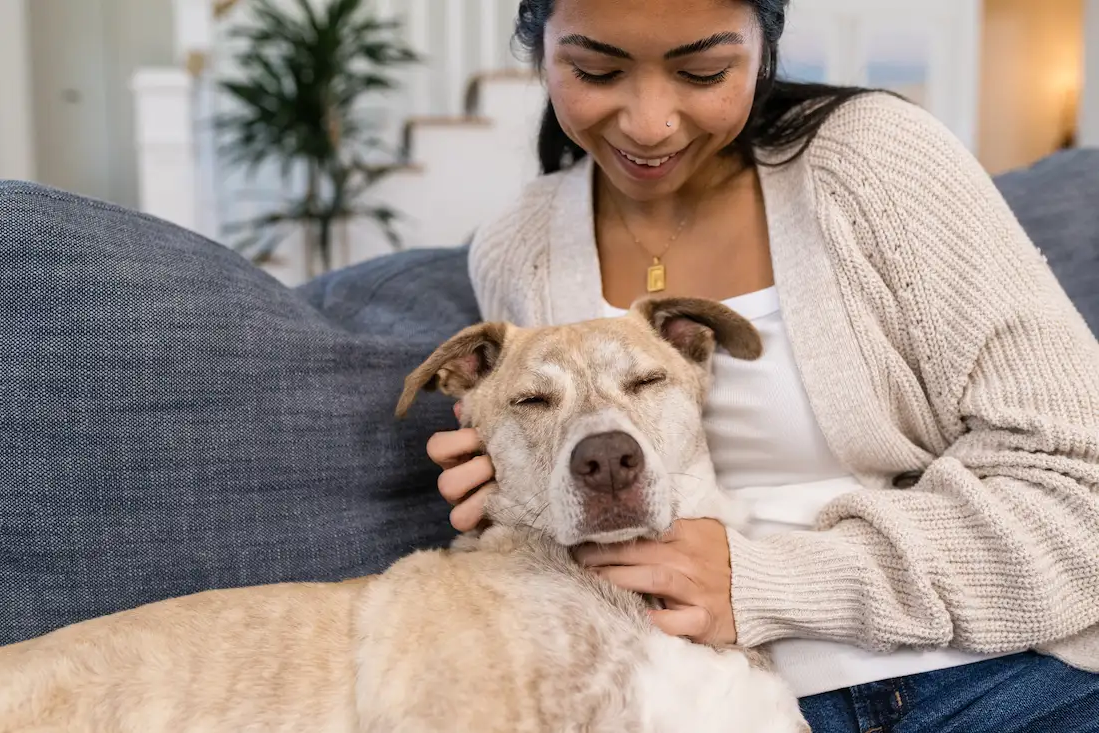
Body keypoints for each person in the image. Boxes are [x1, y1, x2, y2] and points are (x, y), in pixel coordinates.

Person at [424, 0, 1099, 729]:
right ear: (541, 48)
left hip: (986, 678)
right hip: (682, 698)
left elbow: (1082, 492)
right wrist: (511, 482)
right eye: (596, 69)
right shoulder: (518, 246)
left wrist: (763, 583)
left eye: (703, 70)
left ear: (764, 47)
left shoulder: (877, 162)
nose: (650, 123)